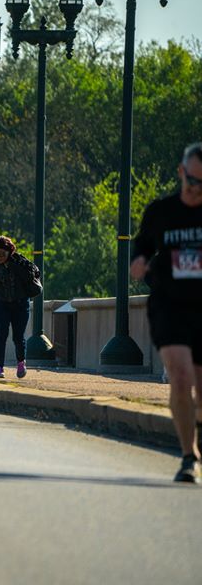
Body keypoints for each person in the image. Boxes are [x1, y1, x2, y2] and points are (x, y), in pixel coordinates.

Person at [130, 142, 202, 483]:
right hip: (169, 305)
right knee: (181, 376)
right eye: (192, 181)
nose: (195, 190)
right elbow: (142, 243)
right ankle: (189, 456)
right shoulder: (162, 212)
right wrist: (139, 261)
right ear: (181, 173)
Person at [0, 236, 39, 380]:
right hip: (2, 304)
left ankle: (21, 363)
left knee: (18, 336)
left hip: (21, 304)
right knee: (1, 335)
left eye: (2, 254)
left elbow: (31, 278)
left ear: (9, 252)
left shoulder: (19, 263)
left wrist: (15, 266)